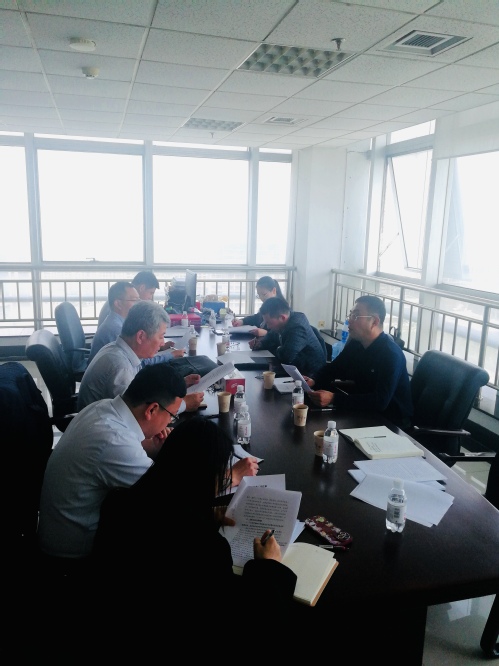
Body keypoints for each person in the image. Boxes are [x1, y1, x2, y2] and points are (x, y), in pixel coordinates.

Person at [91, 415, 298, 631]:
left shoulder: (118, 503)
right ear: (204, 479)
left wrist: (204, 515)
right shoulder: (206, 547)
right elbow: (245, 620)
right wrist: (268, 566)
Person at [37, 363, 187, 565]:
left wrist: (155, 449)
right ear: (152, 409)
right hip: (72, 556)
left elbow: (126, 451)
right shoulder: (114, 441)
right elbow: (168, 498)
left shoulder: (103, 407)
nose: (169, 423)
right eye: (172, 416)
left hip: (58, 530)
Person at [306, 295, 413, 429]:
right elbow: (334, 368)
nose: (349, 321)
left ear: (374, 322)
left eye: (356, 316)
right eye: (350, 315)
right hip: (362, 413)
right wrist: (314, 379)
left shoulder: (391, 354)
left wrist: (334, 398)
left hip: (391, 423)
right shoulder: (356, 343)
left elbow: (380, 401)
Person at [77, 300, 204, 413]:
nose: (162, 343)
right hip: (102, 429)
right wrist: (184, 404)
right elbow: (138, 415)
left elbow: (142, 391)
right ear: (140, 336)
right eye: (161, 336)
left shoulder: (119, 350)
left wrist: (175, 387)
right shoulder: (121, 367)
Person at [89, 280, 178, 363]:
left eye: (138, 300)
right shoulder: (115, 328)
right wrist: (170, 355)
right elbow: (139, 363)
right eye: (134, 300)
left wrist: (158, 347)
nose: (138, 303)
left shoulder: (120, 322)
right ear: (118, 304)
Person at [249, 297, 327, 378]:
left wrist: (276, 348)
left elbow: (286, 357)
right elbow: (271, 336)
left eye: (269, 323)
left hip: (309, 376)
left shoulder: (297, 327)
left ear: (282, 317)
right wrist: (260, 344)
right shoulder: (284, 321)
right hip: (292, 368)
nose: (268, 326)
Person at [97, 270, 161, 327]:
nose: (150, 298)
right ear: (142, 288)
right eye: (151, 293)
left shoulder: (124, 298)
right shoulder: (121, 304)